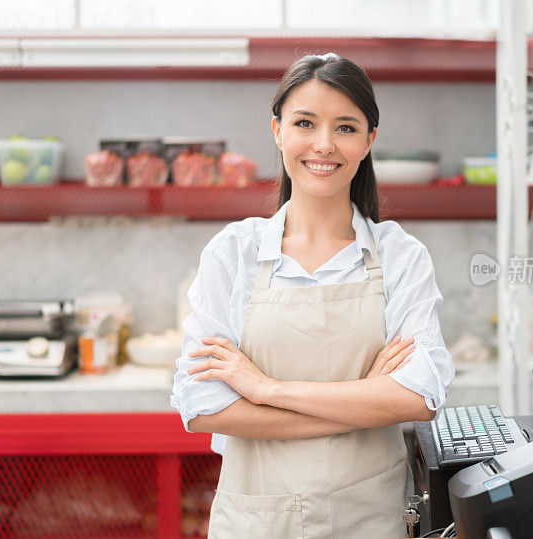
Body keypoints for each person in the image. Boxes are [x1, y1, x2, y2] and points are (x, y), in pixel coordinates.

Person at [170, 53, 454, 538]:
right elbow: (202, 406)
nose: (324, 145)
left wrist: (266, 390)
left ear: (369, 141)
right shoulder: (233, 254)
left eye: (345, 127)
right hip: (257, 523)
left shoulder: (401, 256)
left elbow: (419, 395)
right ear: (278, 130)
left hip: (371, 520)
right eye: (305, 123)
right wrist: (363, 402)